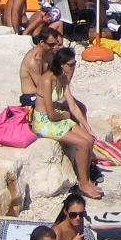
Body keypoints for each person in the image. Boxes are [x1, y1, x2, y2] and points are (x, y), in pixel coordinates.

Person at [33, 47, 102, 200]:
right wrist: (65, 115)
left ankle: (85, 178)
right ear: (62, 64)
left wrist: (86, 125)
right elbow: (50, 113)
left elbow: (72, 105)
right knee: (82, 144)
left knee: (89, 139)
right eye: (71, 65)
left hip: (57, 118)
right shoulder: (47, 80)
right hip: (44, 121)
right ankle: (83, 184)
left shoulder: (62, 78)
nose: (73, 67)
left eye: (74, 63)